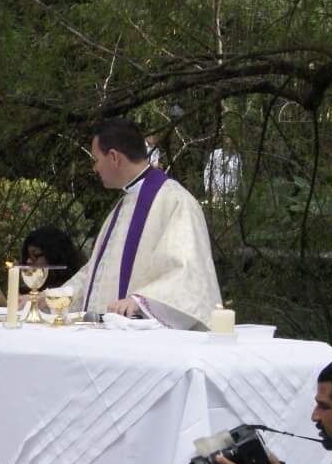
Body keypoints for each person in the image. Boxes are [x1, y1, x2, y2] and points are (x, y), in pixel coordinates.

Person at [58, 119, 221, 317]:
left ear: (113, 157)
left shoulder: (175, 201)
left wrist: (141, 302)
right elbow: (96, 276)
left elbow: (189, 273)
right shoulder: (123, 206)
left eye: (96, 159)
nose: (95, 168)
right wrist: (54, 297)